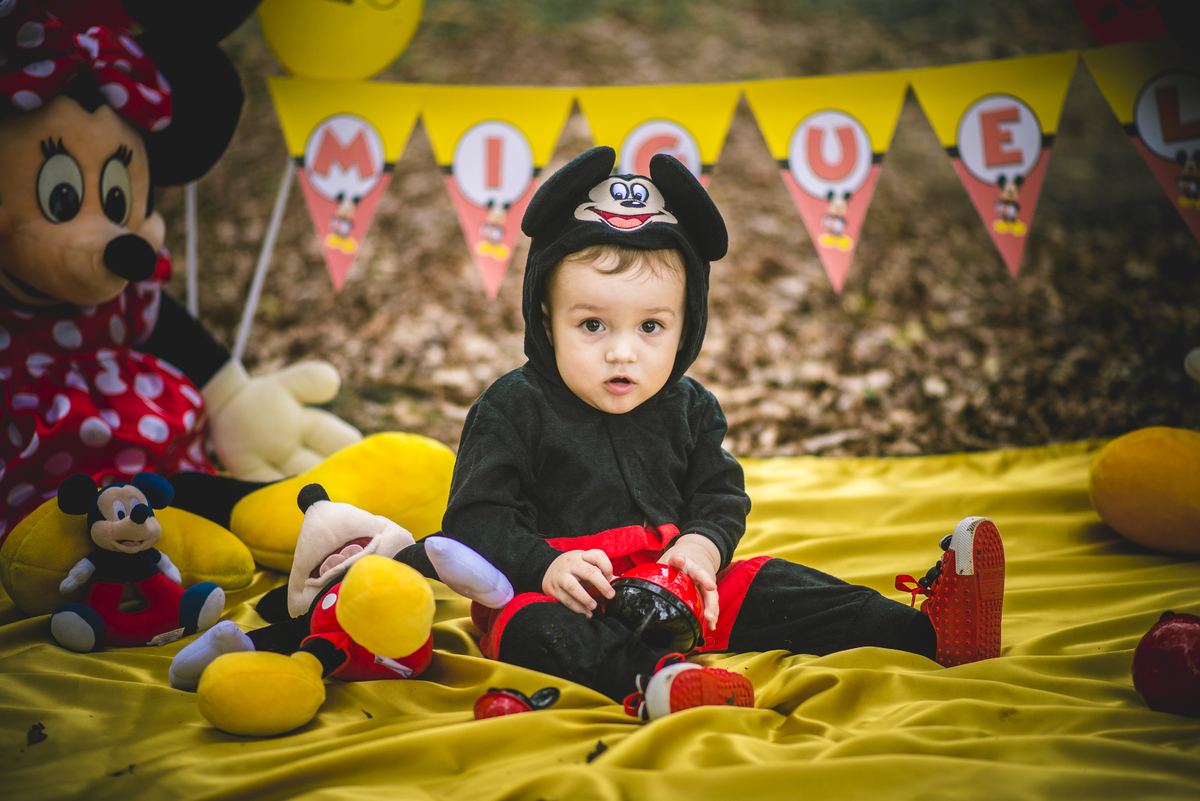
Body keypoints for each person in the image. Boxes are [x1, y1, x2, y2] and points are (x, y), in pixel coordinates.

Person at [401, 146, 1005, 721]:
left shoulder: (688, 407)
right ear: (545, 318)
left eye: (651, 327)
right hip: (567, 593)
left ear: (687, 326)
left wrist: (703, 548)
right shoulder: (513, 408)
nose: (622, 352)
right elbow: (476, 518)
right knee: (534, 630)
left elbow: (719, 494)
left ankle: (928, 633)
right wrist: (542, 566)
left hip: (680, 587)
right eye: (592, 325)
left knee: (781, 584)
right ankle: (658, 682)